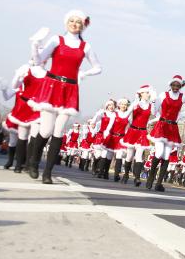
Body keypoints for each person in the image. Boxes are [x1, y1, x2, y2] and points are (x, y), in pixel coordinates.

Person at [28, 10, 102, 184]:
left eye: (78, 22)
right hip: (52, 86)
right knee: (45, 130)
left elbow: (98, 67)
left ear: (83, 26)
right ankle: (33, 161)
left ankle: (47, 172)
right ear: (66, 22)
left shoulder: (86, 46)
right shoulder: (56, 40)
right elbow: (39, 61)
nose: (75, 24)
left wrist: (85, 73)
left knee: (58, 132)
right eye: (72, 20)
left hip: (70, 89)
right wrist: (35, 44)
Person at [147, 75, 185, 192]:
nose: (175, 87)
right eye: (173, 85)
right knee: (159, 153)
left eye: (178, 85)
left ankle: (159, 183)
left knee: (166, 155)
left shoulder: (183, 97)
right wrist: (154, 102)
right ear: (170, 85)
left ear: (180, 86)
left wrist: (181, 115)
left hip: (173, 127)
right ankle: (150, 178)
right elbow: (154, 112)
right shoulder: (163, 95)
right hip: (162, 126)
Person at [120, 85, 156, 186]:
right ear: (141, 93)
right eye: (147, 92)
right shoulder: (136, 103)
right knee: (130, 155)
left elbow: (155, 114)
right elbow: (126, 115)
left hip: (143, 132)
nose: (148, 94)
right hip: (133, 131)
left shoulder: (150, 105)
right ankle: (126, 174)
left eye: (149, 93)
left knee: (139, 155)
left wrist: (150, 121)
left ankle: (137, 177)